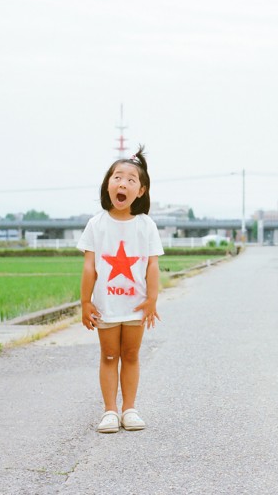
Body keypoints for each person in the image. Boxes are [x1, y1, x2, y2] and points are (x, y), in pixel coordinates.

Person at [77, 146, 164, 433]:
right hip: (106, 305)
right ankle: (109, 411)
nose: (122, 183)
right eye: (117, 177)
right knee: (109, 356)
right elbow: (90, 267)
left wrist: (152, 299)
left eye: (130, 179)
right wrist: (85, 302)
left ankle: (129, 408)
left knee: (131, 355)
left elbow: (152, 266)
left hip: (136, 305)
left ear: (141, 191)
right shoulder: (96, 224)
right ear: (107, 185)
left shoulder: (146, 225)